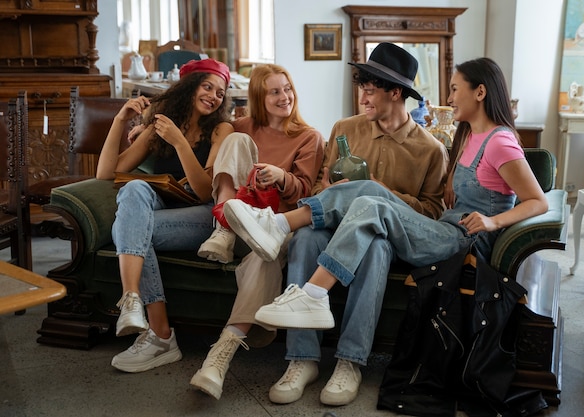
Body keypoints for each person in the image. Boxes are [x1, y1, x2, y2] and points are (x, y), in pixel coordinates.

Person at [223, 56, 549, 406]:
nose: (449, 98)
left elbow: (538, 201)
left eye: (454, 89)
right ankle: (281, 232)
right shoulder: (468, 135)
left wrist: (492, 221)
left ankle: (316, 300)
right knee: (365, 196)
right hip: (444, 229)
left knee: (372, 205)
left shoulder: (496, 141)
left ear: (480, 92)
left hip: (464, 241)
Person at [226, 42, 449, 406]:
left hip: (385, 236)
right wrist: (328, 188)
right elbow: (316, 188)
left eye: (371, 89)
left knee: (375, 246)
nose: (362, 96)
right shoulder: (345, 128)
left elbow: (430, 213)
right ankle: (302, 359)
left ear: (396, 93)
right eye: (361, 87)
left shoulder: (430, 149)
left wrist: (380, 192)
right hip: (331, 226)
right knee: (304, 240)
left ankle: (350, 361)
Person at [189, 64, 325, 400]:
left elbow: (307, 191)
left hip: (274, 223)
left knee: (265, 254)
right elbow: (196, 128)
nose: (285, 97)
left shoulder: (309, 137)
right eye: (275, 92)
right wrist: (141, 126)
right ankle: (223, 230)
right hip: (236, 221)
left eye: (287, 89)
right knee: (235, 140)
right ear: (259, 98)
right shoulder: (240, 127)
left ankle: (220, 356)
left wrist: (280, 176)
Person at [95, 58, 234, 373]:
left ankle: (159, 335)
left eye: (220, 92)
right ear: (189, 87)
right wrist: (120, 120)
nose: (214, 96)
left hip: (201, 216)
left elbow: (204, 192)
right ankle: (132, 300)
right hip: (163, 209)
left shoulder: (221, 129)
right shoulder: (161, 125)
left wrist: (179, 142)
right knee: (133, 191)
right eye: (207, 86)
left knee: (125, 229)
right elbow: (106, 172)